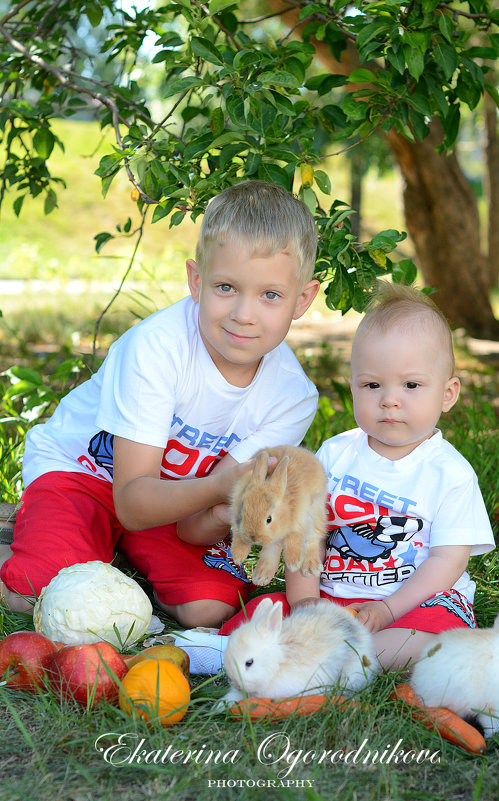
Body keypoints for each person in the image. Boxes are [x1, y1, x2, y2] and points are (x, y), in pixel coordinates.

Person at [0, 180, 321, 629]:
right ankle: (34, 535)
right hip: (85, 475)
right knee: (45, 589)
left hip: (175, 502)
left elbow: (198, 521)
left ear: (302, 299)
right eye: (226, 287)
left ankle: (114, 552)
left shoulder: (293, 397)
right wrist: (220, 488)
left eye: (271, 295)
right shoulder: (157, 347)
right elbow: (133, 503)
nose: (244, 314)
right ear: (196, 280)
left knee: (211, 606)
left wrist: (223, 506)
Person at [178, 280, 495, 673]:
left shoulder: (450, 473)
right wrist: (306, 599)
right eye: (372, 384)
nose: (390, 398)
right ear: (352, 387)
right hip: (333, 597)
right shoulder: (335, 454)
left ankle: (335, 660)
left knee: (426, 642)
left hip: (412, 604)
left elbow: (448, 560)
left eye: (411, 385)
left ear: (448, 394)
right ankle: (223, 649)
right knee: (267, 610)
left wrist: (388, 607)